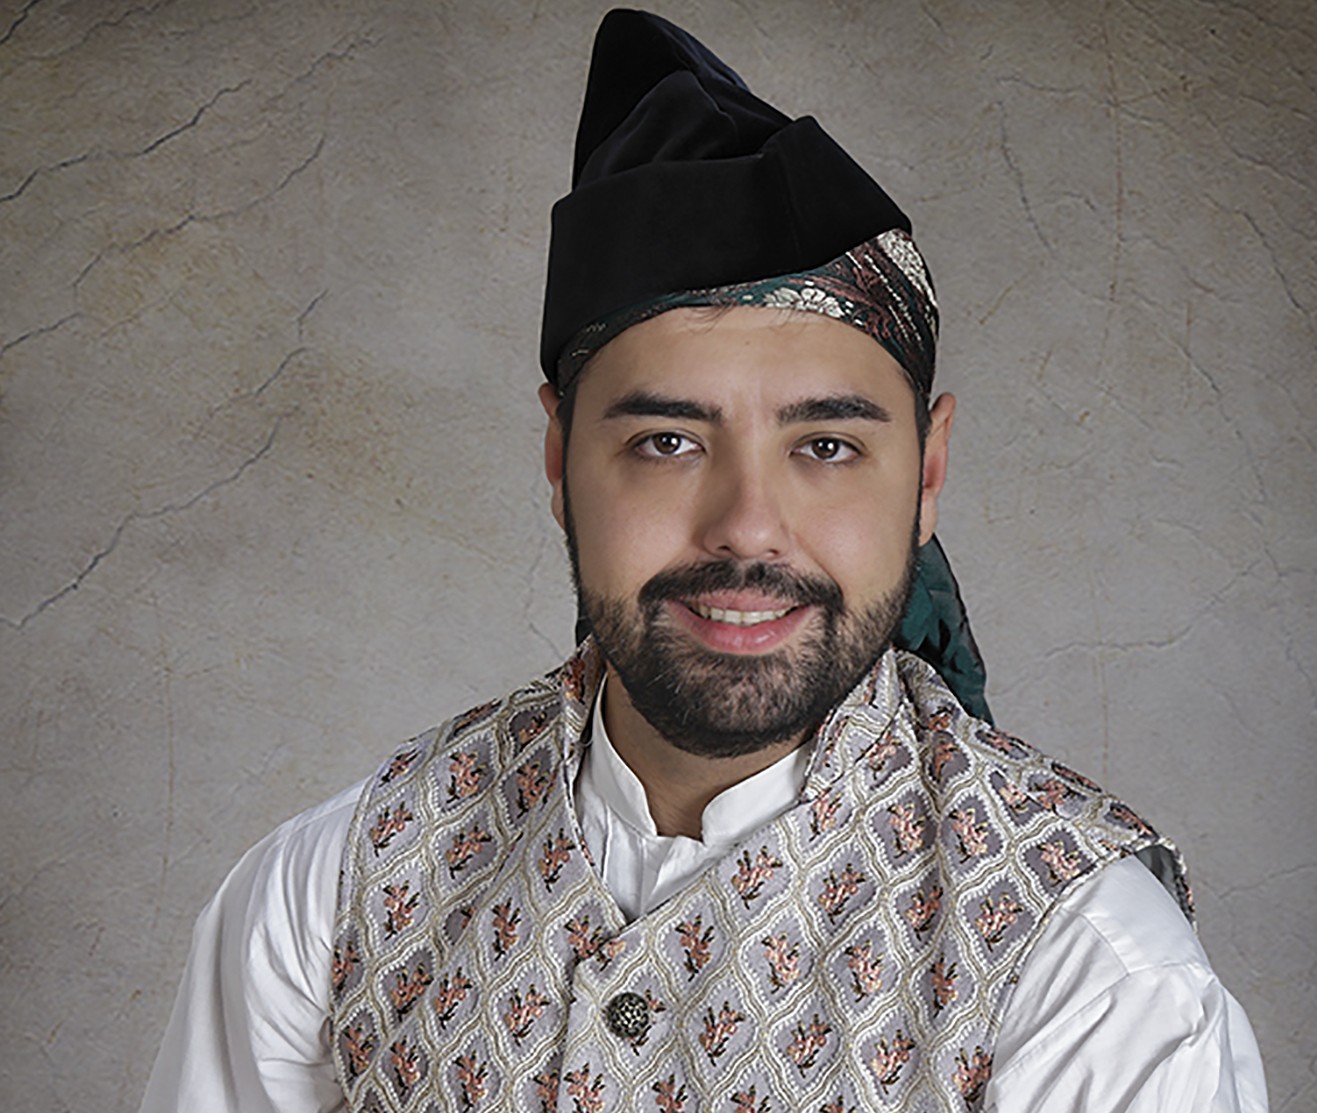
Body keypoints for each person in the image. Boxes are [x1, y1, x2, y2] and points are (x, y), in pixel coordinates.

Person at [140, 10, 1267, 1112]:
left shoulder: (1090, 982)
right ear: (559, 459)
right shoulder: (335, 894)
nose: (747, 526)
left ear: (926, 475)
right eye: (667, 442)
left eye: (826, 447)